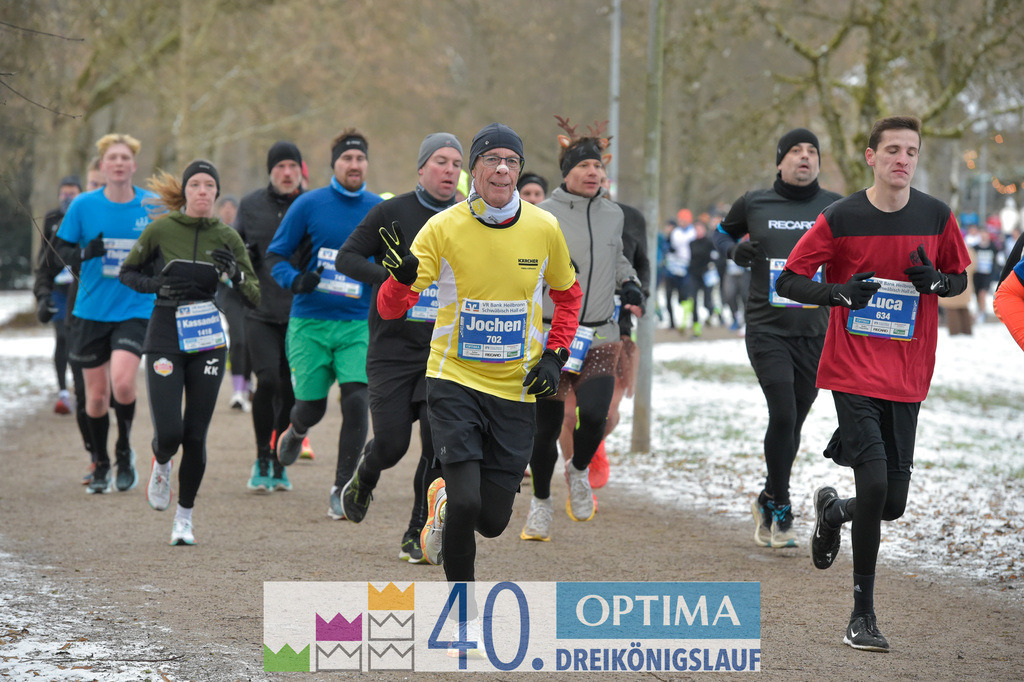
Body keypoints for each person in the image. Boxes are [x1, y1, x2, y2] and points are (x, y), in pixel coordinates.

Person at [375, 123, 581, 649]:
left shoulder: (544, 227)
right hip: (454, 380)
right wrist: (400, 278)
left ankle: (443, 499)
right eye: (491, 159)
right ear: (475, 169)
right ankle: (462, 616)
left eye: (512, 161)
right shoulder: (443, 227)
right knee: (467, 504)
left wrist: (555, 356)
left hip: (515, 388)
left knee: (490, 521)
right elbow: (391, 309)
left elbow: (568, 296)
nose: (502, 169)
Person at [775, 115, 971, 652]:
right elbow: (789, 279)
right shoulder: (841, 217)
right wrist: (838, 293)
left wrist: (937, 282)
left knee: (891, 503)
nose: (902, 159)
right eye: (892, 150)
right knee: (877, 485)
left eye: (911, 151)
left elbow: (959, 277)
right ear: (871, 157)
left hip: (907, 373)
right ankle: (861, 616)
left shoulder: (936, 215)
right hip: (852, 370)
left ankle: (834, 511)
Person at [335, 132, 463, 562]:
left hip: (442, 351)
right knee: (392, 444)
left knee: (434, 446)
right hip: (391, 348)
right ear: (422, 167)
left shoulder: (466, 219)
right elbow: (346, 258)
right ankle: (364, 477)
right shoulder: (390, 212)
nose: (450, 170)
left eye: (457, 164)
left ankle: (417, 531)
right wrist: (394, 279)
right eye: (441, 161)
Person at [714, 127, 843, 549]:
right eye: (795, 151)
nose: (805, 157)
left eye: (812, 151)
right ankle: (783, 505)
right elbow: (721, 234)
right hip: (767, 327)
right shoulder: (754, 203)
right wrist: (734, 251)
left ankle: (767, 496)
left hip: (815, 331)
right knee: (784, 413)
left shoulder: (835, 207)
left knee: (795, 419)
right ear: (780, 161)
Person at [120, 160, 259, 544]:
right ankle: (162, 460)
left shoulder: (227, 236)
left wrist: (235, 275)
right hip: (165, 333)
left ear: (217, 193)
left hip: (207, 340)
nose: (202, 190)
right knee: (170, 433)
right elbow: (128, 273)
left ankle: (184, 517)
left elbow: (255, 295)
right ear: (185, 192)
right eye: (195, 184)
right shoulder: (161, 230)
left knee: (196, 436)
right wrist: (156, 286)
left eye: (209, 185)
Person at [522, 119, 644, 543]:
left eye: (598, 167)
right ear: (567, 171)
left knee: (597, 415)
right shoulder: (543, 214)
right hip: (552, 334)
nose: (594, 173)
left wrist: (630, 282)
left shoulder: (614, 214)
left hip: (600, 332)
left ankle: (577, 471)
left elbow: (618, 258)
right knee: (546, 428)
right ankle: (540, 504)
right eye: (585, 166)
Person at [266, 129, 382, 516]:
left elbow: (393, 262)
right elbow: (276, 256)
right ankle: (297, 430)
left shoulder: (378, 209)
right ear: (334, 164)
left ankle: (342, 487)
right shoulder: (308, 204)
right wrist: (295, 281)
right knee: (311, 407)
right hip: (310, 322)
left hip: (357, 323)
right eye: (347, 158)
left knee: (357, 401)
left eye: (360, 158)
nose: (354, 164)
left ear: (367, 164)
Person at [53, 133, 156, 495]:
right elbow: (58, 251)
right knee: (96, 397)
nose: (119, 163)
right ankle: (100, 461)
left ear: (134, 165)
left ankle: (124, 451)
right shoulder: (83, 205)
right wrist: (85, 254)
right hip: (91, 309)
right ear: (102, 165)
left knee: (123, 383)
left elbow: (166, 249)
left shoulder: (152, 206)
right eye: (112, 158)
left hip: (135, 308)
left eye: (125, 158)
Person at [236, 141, 307, 493]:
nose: (287, 172)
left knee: (290, 389)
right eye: (280, 166)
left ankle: (279, 459)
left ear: (300, 171)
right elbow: (234, 246)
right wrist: (242, 260)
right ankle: (261, 456)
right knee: (267, 382)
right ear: (270, 171)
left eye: (292, 166)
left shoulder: (310, 204)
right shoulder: (250, 205)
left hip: (300, 312)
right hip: (260, 310)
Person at [35, 175, 83, 415]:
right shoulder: (52, 218)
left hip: (81, 289)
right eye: (64, 193)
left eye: (72, 193)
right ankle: (63, 392)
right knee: (62, 336)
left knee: (77, 338)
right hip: (58, 290)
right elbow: (44, 253)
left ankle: (81, 388)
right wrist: (42, 292)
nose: (67, 197)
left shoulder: (87, 215)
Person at [213, 195, 254, 413]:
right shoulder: (218, 234)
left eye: (232, 207)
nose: (228, 211)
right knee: (238, 340)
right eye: (225, 207)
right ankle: (238, 391)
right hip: (230, 295)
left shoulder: (253, 233)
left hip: (252, 295)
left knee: (250, 341)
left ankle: (247, 385)